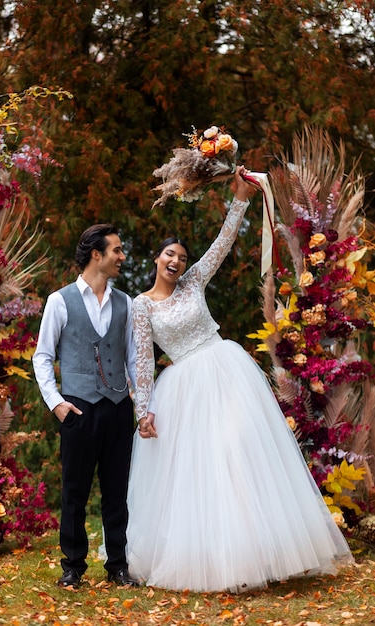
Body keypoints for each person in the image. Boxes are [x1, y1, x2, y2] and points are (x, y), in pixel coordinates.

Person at [126, 165, 354, 593]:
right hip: (182, 387)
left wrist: (240, 200)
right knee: (201, 465)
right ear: (156, 259)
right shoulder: (141, 306)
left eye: (180, 256)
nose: (176, 261)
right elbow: (141, 361)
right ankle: (215, 556)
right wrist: (143, 411)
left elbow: (221, 246)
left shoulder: (194, 282)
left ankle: (265, 549)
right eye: (168, 255)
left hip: (223, 368)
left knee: (239, 448)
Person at [32, 224, 139, 589]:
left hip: (117, 408)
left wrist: (138, 402)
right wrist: (56, 403)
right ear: (97, 254)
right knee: (74, 492)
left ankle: (118, 566)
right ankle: (73, 567)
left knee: (116, 493)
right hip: (76, 408)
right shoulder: (60, 301)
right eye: (117, 250)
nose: (122, 257)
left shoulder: (126, 302)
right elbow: (43, 357)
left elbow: (134, 358)